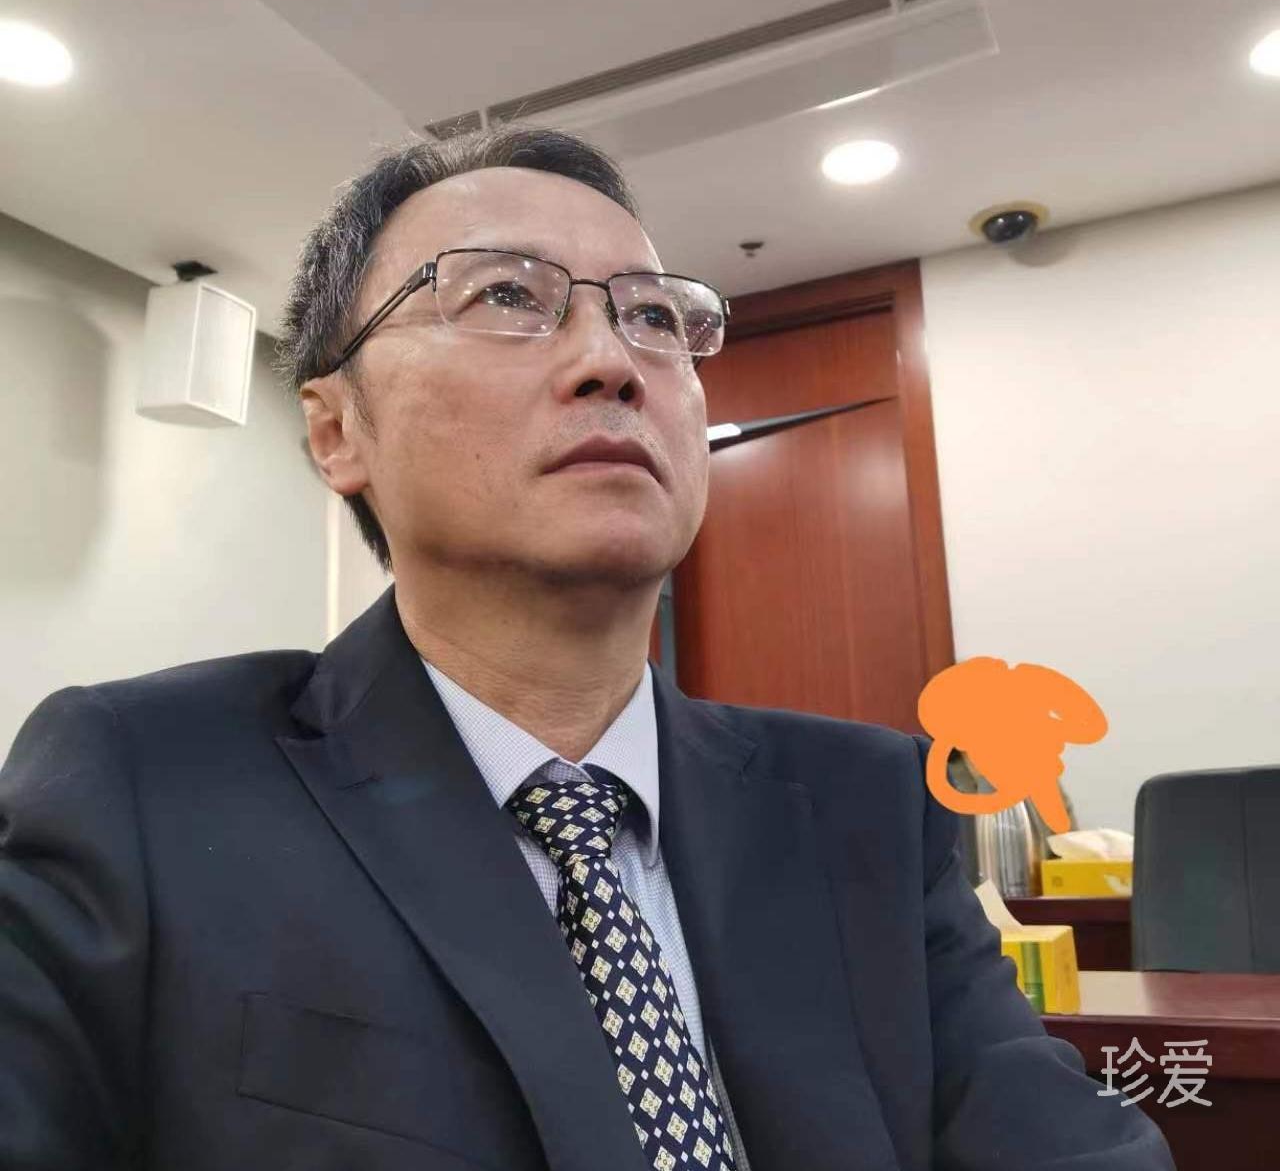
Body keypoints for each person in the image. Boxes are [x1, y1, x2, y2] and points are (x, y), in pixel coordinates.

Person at [0, 128, 1174, 1171]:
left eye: (653, 317)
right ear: (336, 427)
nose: (612, 359)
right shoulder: (145, 785)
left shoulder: (865, 803)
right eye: (506, 295)